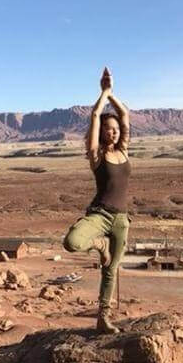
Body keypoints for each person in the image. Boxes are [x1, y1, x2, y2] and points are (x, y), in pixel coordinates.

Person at [63, 67, 131, 334]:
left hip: (121, 220)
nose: (112, 133)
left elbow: (124, 114)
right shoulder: (96, 157)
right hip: (100, 215)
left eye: (115, 130)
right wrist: (103, 93)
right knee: (72, 242)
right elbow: (94, 115)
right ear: (102, 133)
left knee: (111, 270)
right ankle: (99, 244)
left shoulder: (124, 150)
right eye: (108, 130)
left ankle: (103, 318)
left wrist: (113, 93)